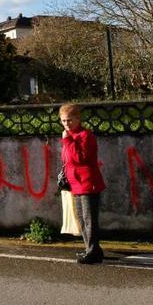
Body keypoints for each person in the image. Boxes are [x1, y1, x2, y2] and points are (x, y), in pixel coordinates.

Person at [60, 103, 105, 264]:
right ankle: (91, 249)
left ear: (78, 119)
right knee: (81, 218)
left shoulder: (85, 136)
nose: (66, 124)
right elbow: (67, 160)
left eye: (70, 120)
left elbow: (80, 158)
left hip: (88, 183)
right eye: (64, 121)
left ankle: (93, 251)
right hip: (75, 183)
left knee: (89, 219)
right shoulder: (69, 136)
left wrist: (67, 141)